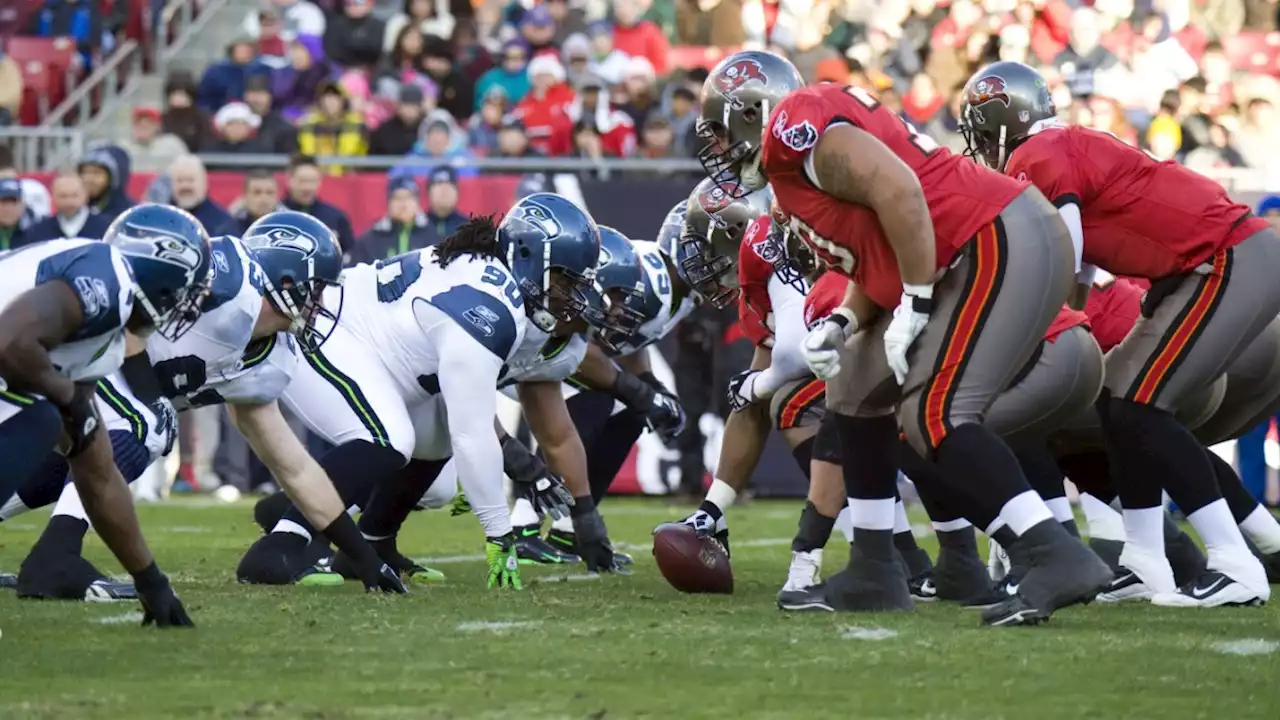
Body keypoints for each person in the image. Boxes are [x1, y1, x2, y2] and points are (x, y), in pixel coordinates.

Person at [696, 50, 1109, 625]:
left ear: (753, 111)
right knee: (853, 382)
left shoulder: (796, 127)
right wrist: (843, 321)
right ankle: (874, 566)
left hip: (992, 233)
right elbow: (878, 252)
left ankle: (1050, 550)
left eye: (720, 128)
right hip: (963, 248)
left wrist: (915, 298)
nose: (716, 147)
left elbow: (901, 190)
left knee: (934, 413)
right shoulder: (788, 179)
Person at [960, 60, 1278, 608]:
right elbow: (1079, 274)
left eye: (983, 129)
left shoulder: (1038, 153)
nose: (982, 144)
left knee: (1142, 407)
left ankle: (1235, 562)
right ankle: (1144, 558)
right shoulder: (1059, 147)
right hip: (1199, 267)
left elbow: (1067, 249)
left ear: (1003, 119)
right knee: (1117, 404)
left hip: (1223, 257)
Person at [237, 194, 604, 590]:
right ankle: (280, 546)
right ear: (531, 257)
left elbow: (461, 423)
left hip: (369, 348)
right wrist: (499, 533)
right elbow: (474, 433)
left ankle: (373, 541)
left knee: (435, 456)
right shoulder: (491, 307)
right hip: (325, 327)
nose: (569, 295)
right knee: (389, 438)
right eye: (565, 279)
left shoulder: (492, 281)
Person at [0, 203, 215, 627]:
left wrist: (150, 580)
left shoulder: (104, 339)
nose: (186, 308)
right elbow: (11, 344)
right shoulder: (105, 275)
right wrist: (67, 398)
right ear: (163, 276)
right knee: (45, 415)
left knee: (61, 422)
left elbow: (97, 472)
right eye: (187, 292)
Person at [347, 176, 437, 264]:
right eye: (397, 198)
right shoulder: (369, 241)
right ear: (388, 203)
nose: (404, 204)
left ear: (418, 203)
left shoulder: (434, 238)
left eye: (409, 197)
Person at [282, 154, 356, 252]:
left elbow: (350, 254)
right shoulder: (275, 215)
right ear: (289, 180)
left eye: (312, 181)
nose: (308, 187)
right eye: (302, 181)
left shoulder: (336, 218)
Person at [26, 174, 113, 243]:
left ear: (85, 195)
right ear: (53, 197)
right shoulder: (38, 231)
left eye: (74, 195)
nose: (69, 202)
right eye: (63, 196)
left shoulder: (107, 227)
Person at [167, 155, 234, 237]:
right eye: (179, 181)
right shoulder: (162, 217)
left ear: (204, 183)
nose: (185, 186)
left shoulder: (222, 221)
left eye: (190, 180)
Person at [77, 145, 135, 224]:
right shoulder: (73, 208)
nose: (89, 179)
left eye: (97, 173)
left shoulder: (129, 213)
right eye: (85, 172)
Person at [228, 170, 284, 236]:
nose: (264, 198)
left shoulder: (289, 225)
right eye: (257, 192)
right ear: (245, 196)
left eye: (270, 192)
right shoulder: (230, 227)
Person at [423, 167, 467, 243]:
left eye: (450, 185)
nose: (444, 190)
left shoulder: (468, 228)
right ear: (428, 191)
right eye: (439, 184)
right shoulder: (419, 226)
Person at [0, 178, 33, 250]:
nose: (8, 209)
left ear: (23, 204)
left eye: (13, 202)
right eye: (3, 202)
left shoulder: (39, 230)